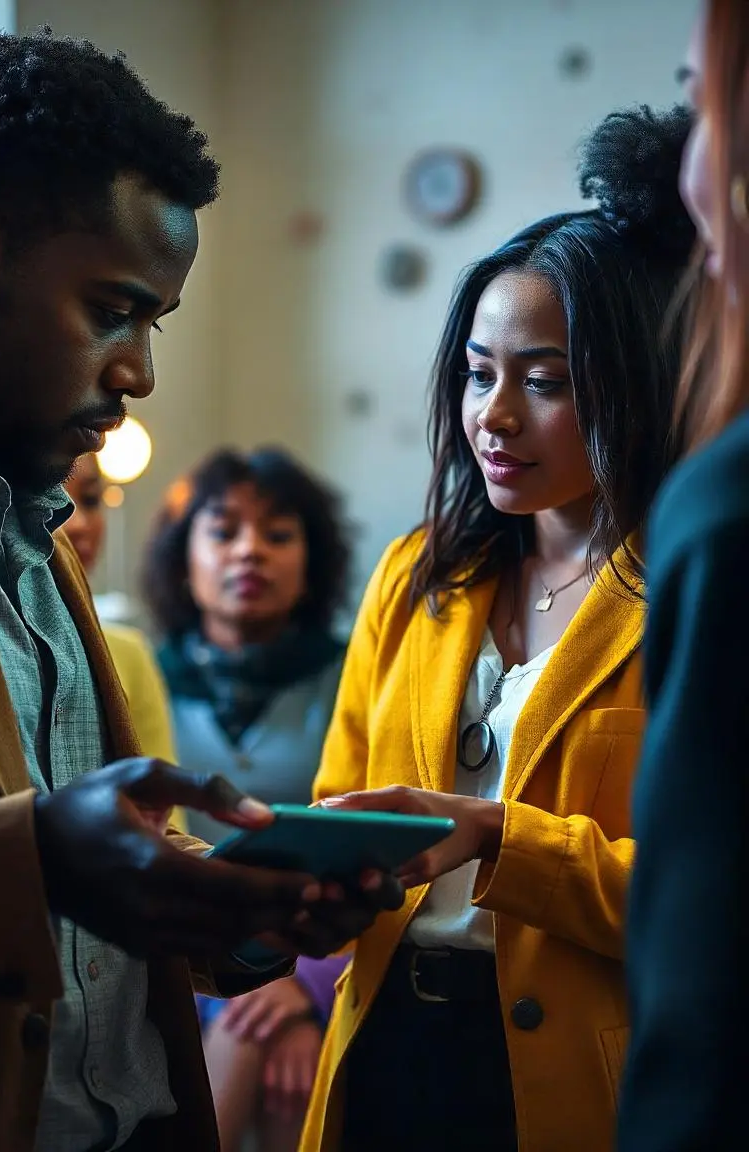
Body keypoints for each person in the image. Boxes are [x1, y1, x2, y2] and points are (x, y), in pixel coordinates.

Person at [0, 29, 401, 1152]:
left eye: (153, 323)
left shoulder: (35, 523)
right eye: (112, 310)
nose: (138, 373)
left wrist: (237, 917)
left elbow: (85, 928)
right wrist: (38, 857)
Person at [299, 105, 697, 1152]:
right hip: (385, 1043)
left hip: (575, 1074)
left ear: (634, 383)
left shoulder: (689, 591)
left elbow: (699, 902)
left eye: (543, 381)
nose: (493, 416)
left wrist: (492, 836)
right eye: (477, 373)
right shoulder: (418, 574)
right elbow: (337, 797)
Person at [618, 4, 749, 1148]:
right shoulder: (421, 578)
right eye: (473, 373)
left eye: (699, 102)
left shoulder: (721, 511)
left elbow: (706, 992)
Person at [143, 447, 351, 1152]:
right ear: (183, 556)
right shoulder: (136, 676)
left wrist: (302, 992)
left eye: (279, 534)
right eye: (224, 530)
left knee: (289, 1062)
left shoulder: (351, 675)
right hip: (172, 959)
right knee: (256, 1046)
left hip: (321, 958)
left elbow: (373, 849)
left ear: (312, 559)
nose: (250, 551)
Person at [63, 452, 175, 765]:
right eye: (50, 498)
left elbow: (164, 806)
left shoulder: (129, 653)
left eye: (90, 499)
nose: (79, 524)